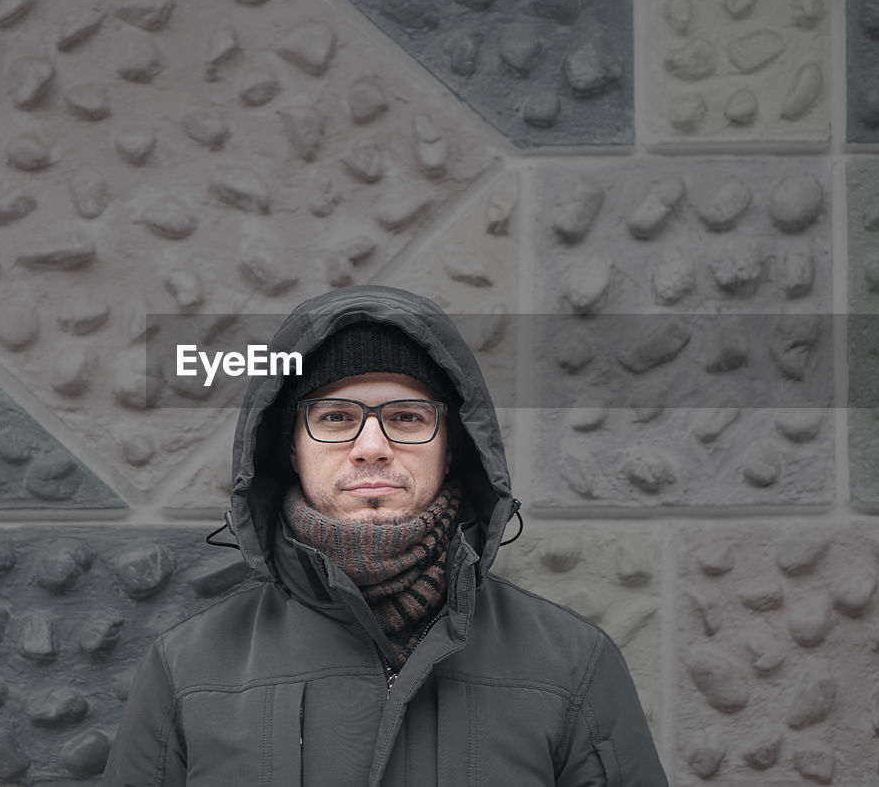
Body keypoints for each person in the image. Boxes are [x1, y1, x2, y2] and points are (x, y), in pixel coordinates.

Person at [104, 285, 668, 786]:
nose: (372, 445)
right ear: (289, 449)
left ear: (453, 449)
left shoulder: (570, 663)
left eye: (406, 417)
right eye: (334, 417)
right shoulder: (187, 668)